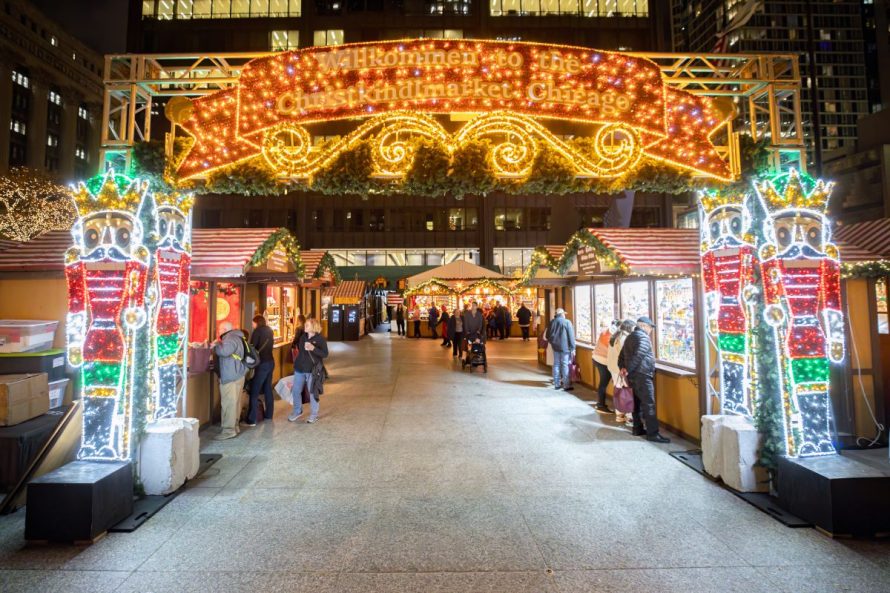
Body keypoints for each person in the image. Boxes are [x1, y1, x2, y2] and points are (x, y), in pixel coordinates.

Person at [619, 316, 670, 443]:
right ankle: (653, 433)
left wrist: (623, 368)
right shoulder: (643, 337)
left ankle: (637, 428)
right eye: (650, 327)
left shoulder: (630, 336)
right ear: (644, 326)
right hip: (642, 375)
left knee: (635, 404)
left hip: (632, 376)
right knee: (649, 404)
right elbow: (639, 355)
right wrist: (628, 368)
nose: (651, 330)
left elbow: (621, 355)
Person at [288, 317, 329, 424]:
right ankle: (297, 411)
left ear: (314, 327)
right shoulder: (303, 337)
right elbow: (300, 351)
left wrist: (313, 348)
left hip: (312, 370)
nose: (305, 326)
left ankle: (314, 415)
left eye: (307, 325)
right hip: (300, 369)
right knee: (296, 391)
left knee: (312, 393)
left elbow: (325, 354)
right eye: (305, 324)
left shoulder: (320, 339)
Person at [213, 321, 249, 440]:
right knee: (236, 402)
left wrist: (216, 345)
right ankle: (235, 426)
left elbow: (224, 352)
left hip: (230, 375)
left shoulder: (229, 338)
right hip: (238, 373)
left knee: (229, 403)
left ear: (224, 329)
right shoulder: (238, 336)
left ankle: (228, 430)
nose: (218, 332)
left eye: (219, 329)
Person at [245, 315, 275, 426]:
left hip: (261, 364)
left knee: (255, 390)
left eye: (253, 323)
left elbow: (252, 347)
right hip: (270, 362)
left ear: (257, 322)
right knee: (267, 388)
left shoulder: (257, 331)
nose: (252, 325)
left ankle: (252, 419)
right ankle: (269, 415)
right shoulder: (269, 330)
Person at [608, 319, 636, 424]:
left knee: (618, 390)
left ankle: (619, 414)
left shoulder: (615, 336)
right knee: (626, 391)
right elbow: (625, 355)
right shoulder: (624, 338)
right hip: (619, 368)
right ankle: (628, 414)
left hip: (612, 367)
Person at [592, 320, 619, 413]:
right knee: (603, 383)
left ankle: (601, 404)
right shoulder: (611, 336)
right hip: (603, 361)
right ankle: (601, 405)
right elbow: (613, 350)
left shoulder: (605, 332)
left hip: (597, 358)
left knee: (604, 383)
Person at [546, 308, 576, 391]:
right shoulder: (567, 322)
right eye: (564, 314)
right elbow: (571, 336)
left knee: (556, 364)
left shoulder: (552, 322)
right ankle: (566, 385)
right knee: (565, 365)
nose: (565, 315)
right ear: (562, 314)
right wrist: (573, 347)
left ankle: (557, 384)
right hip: (565, 348)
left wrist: (553, 342)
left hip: (555, 347)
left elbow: (547, 335)